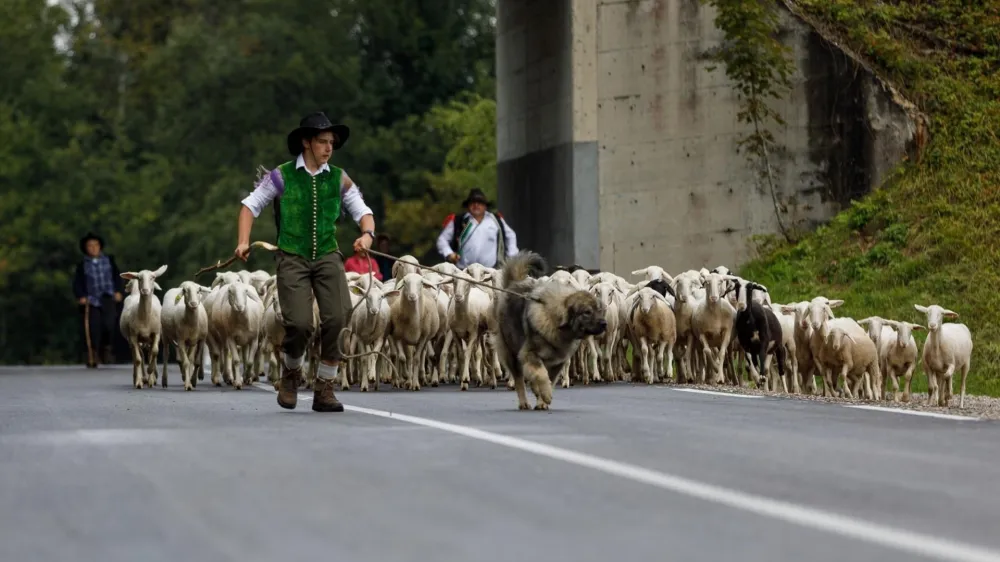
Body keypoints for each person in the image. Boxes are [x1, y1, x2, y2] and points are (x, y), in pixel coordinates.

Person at [236, 111, 377, 413]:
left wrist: (367, 235)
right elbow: (250, 206)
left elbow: (363, 211)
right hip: (292, 256)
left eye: (332, 143)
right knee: (299, 323)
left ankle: (324, 388)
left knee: (338, 317)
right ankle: (290, 373)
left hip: (327, 255)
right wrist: (243, 241)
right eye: (323, 142)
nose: (329, 148)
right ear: (306, 142)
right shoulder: (281, 175)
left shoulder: (339, 177)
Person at [71, 232, 125, 368]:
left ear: (100, 247)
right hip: (91, 300)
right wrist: (80, 296)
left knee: (110, 325)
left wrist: (119, 291)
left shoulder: (109, 260)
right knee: (93, 328)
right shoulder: (82, 264)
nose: (93, 248)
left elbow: (117, 277)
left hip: (108, 297)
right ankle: (92, 354)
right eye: (90, 246)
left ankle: (106, 349)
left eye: (96, 245)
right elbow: (77, 283)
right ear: (86, 248)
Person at [437, 188, 519, 268]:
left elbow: (511, 236)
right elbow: (442, 240)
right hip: (463, 272)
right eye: (473, 202)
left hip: (490, 272)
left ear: (485, 206)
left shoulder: (496, 220)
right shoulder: (458, 220)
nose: (476, 205)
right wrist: (449, 253)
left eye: (480, 202)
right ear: (468, 205)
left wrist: (511, 258)